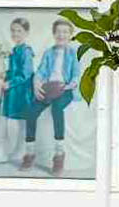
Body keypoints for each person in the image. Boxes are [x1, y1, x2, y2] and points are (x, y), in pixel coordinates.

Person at [21, 18, 80, 176]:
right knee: (31, 112)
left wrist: (69, 85)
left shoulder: (73, 53)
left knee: (57, 108)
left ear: (70, 35)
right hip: (49, 88)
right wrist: (36, 84)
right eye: (58, 32)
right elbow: (40, 71)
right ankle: (30, 152)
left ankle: (59, 154)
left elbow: (76, 74)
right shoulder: (49, 53)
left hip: (65, 88)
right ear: (54, 34)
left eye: (65, 32)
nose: (61, 35)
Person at [0, 17, 35, 164]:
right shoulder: (14, 50)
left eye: (19, 31)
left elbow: (26, 73)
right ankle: (2, 150)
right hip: (12, 90)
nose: (15, 33)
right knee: (5, 119)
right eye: (13, 30)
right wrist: (6, 73)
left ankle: (19, 149)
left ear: (26, 32)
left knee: (19, 122)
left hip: (21, 91)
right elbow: (15, 70)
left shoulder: (26, 51)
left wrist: (10, 82)